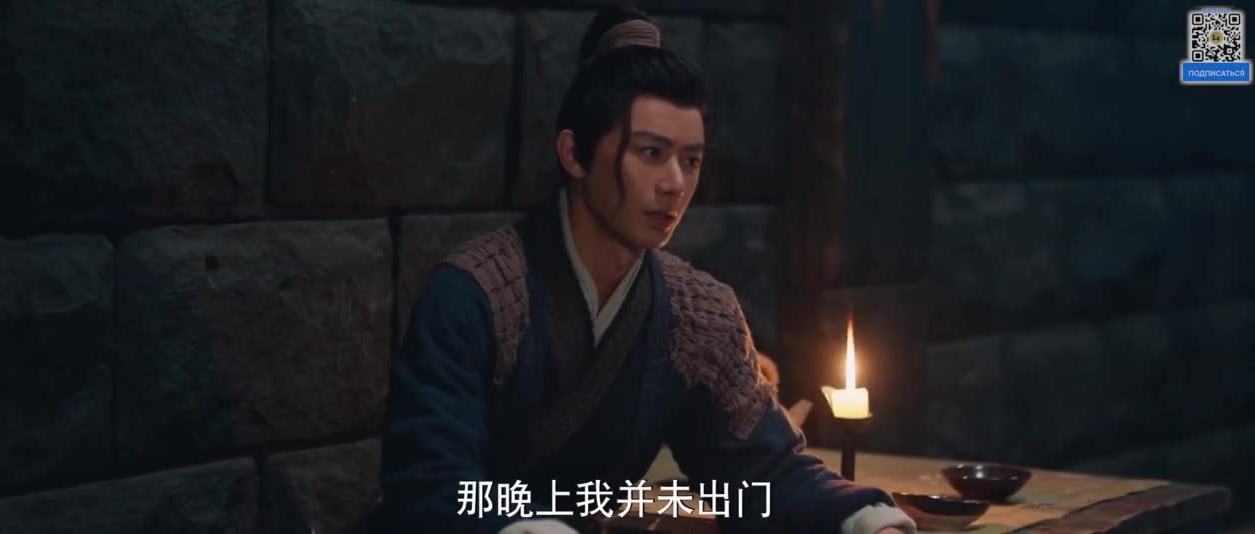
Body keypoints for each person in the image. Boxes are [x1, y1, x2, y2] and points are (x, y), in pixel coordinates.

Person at [379, 5, 917, 534]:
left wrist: (867, 522)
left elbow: (764, 476)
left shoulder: (697, 314)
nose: (675, 184)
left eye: (691, 160)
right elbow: (431, 483)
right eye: (651, 153)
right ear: (574, 153)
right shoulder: (475, 293)